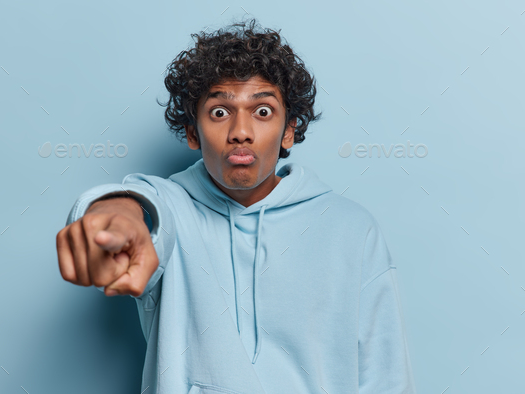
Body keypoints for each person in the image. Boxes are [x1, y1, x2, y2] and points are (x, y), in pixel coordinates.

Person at [56, 18, 416, 394]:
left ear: (288, 130)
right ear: (193, 132)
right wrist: (111, 222)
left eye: (262, 112)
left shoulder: (353, 230)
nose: (240, 131)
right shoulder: (170, 209)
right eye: (219, 112)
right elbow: (129, 206)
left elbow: (386, 376)